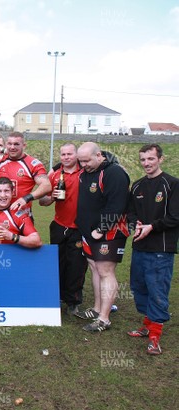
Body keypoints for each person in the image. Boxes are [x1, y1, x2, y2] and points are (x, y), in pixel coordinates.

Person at [126, 144, 179, 354]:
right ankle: (147, 326)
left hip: (161, 248)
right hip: (140, 246)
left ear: (160, 159)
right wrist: (135, 225)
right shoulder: (137, 186)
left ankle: (155, 336)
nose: (146, 163)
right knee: (140, 287)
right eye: (143, 160)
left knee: (157, 289)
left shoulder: (172, 184)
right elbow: (129, 213)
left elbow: (175, 217)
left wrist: (152, 227)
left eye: (151, 159)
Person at [74, 141, 130, 333]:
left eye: (86, 161)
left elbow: (117, 204)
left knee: (105, 271)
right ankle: (97, 308)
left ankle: (104, 319)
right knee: (94, 268)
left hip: (109, 232)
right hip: (88, 233)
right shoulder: (87, 171)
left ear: (99, 155)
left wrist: (101, 229)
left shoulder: (114, 173)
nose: (83, 165)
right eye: (80, 161)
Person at [39, 143, 87, 316]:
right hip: (59, 226)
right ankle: (57, 297)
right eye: (63, 154)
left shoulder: (85, 172)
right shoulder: (55, 175)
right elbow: (42, 202)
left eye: (70, 154)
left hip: (79, 228)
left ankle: (73, 302)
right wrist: (51, 197)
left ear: (76, 155)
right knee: (58, 263)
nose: (66, 157)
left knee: (77, 266)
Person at [0, 131, 51, 215]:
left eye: (16, 144)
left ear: (24, 145)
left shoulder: (33, 164)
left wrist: (25, 199)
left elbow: (46, 186)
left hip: (22, 215)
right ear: (6, 145)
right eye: (9, 144)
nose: (12, 147)